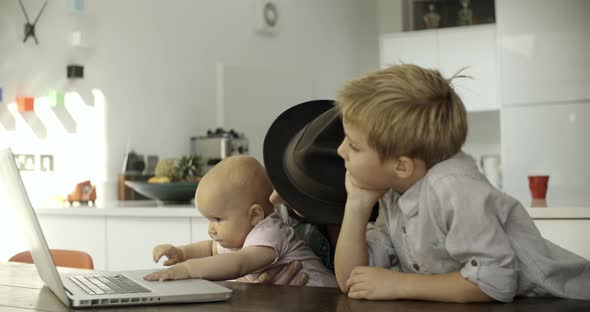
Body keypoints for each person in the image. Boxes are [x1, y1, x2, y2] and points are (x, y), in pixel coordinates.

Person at [333, 64, 590, 302]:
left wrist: (398, 284)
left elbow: (495, 282)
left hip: (565, 298)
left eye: (353, 145)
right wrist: (357, 204)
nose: (340, 150)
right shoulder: (394, 193)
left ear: (402, 166)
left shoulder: (452, 186)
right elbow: (352, 281)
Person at [143, 155, 337, 288]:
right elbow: (211, 249)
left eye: (218, 219)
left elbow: (239, 264)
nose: (211, 229)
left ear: (254, 215)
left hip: (329, 301)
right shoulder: (239, 233)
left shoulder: (269, 232)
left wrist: (187, 269)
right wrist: (182, 253)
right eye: (209, 219)